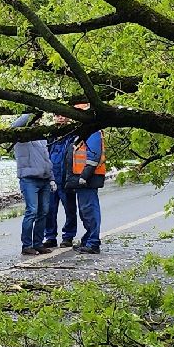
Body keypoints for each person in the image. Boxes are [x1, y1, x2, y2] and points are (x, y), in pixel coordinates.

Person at [11, 116, 54, 256]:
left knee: (43, 212)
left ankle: (38, 243)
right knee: (32, 211)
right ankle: (27, 245)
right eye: (34, 122)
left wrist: (52, 178)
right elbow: (16, 125)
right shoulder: (21, 137)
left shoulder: (41, 138)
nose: (37, 123)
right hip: (29, 179)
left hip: (44, 179)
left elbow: (47, 160)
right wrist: (32, 112)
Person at [65, 106, 105, 253]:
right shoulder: (82, 132)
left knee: (89, 210)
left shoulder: (92, 131)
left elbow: (93, 156)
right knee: (85, 211)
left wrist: (84, 176)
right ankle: (88, 240)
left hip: (88, 179)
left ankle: (93, 243)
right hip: (82, 179)